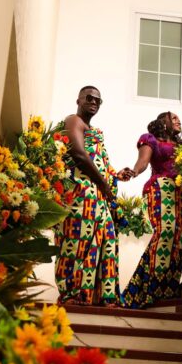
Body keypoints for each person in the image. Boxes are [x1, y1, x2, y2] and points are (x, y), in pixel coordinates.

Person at [55, 86, 133, 306]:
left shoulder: (95, 132)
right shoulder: (73, 120)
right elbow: (79, 154)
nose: (94, 102)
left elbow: (99, 163)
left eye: (99, 100)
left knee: (105, 244)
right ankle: (70, 293)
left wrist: (115, 175)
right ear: (78, 99)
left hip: (100, 197)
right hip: (80, 195)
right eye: (89, 98)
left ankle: (102, 296)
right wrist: (103, 184)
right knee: (75, 244)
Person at [122, 112, 182, 308]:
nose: (178, 120)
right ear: (163, 122)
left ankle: (167, 290)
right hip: (160, 188)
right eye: (173, 117)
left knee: (178, 241)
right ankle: (147, 290)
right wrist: (134, 171)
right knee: (164, 235)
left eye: (179, 118)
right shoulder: (150, 139)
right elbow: (143, 161)